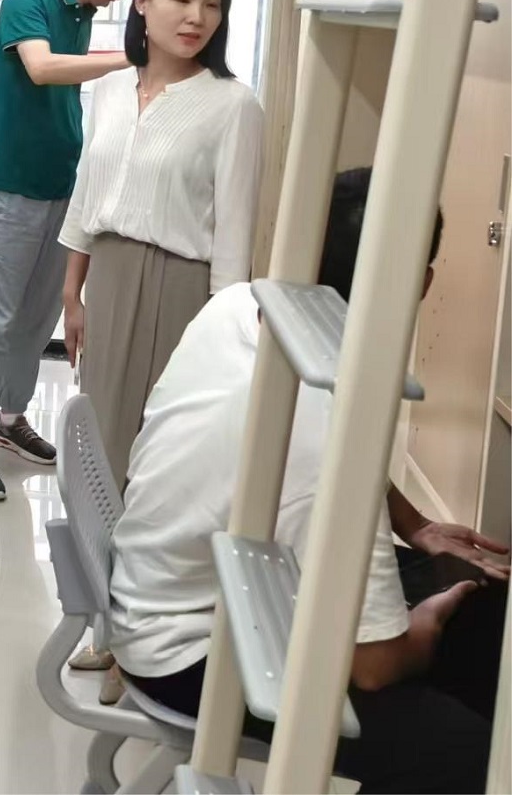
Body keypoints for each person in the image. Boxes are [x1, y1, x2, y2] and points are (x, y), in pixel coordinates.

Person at [109, 168, 510, 794]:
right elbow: (375, 666)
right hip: (190, 654)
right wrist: (428, 621)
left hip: (168, 592)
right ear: (422, 284)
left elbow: (328, 467)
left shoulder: (240, 306)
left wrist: (416, 525)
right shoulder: (324, 428)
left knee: (486, 609)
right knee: (466, 752)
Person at [0, 0, 162, 502]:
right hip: (8, 190)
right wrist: (131, 60)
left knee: (36, 318)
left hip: (59, 190)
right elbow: (41, 68)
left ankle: (10, 419)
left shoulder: (83, 13)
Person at [60, 0, 264, 484]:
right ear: (143, 1)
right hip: (107, 279)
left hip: (182, 290)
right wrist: (72, 295)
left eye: (213, 4)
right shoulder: (109, 89)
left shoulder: (234, 105)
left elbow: (235, 232)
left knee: (160, 449)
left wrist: (222, 333)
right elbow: (86, 194)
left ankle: (139, 540)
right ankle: (95, 538)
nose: (198, 17)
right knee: (100, 435)